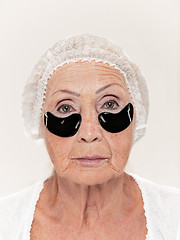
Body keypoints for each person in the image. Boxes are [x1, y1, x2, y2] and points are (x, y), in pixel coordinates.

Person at [0, 33, 180, 240]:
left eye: (110, 105)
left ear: (136, 116)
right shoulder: (5, 225)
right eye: (65, 108)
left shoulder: (174, 220)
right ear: (40, 121)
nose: (89, 134)